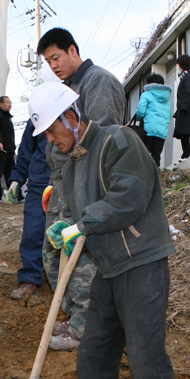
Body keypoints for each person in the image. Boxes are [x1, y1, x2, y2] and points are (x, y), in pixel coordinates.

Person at [27, 81, 190, 379]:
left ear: (72, 118)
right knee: (94, 354)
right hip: (110, 268)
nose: (52, 141)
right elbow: (78, 210)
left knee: (145, 360)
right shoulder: (75, 161)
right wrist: (62, 226)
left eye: (53, 131)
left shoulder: (119, 140)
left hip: (141, 264)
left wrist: (82, 225)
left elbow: (130, 197)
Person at [35, 27, 124, 352]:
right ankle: (73, 313)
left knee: (81, 253)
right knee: (57, 250)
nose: (53, 65)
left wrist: (84, 183)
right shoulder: (67, 88)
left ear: (73, 50)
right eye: (48, 61)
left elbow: (102, 135)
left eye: (56, 57)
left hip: (84, 181)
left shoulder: (96, 81)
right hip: (63, 180)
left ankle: (84, 326)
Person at [5, 118, 50, 300]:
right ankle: (30, 278)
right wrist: (16, 179)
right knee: (33, 232)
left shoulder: (75, 111)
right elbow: (25, 151)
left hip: (69, 184)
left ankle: (69, 284)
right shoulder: (37, 118)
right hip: (39, 185)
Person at [131, 73, 173, 168]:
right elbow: (169, 115)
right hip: (162, 131)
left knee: (144, 153)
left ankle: (144, 175)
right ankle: (156, 175)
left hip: (148, 129)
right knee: (156, 155)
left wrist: (138, 118)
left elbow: (140, 110)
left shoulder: (146, 94)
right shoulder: (167, 99)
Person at [172, 55, 190, 165]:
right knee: (184, 132)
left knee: (187, 132)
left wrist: (183, 108)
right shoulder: (187, 76)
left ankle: (187, 155)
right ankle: (186, 154)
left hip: (188, 110)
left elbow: (189, 93)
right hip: (186, 109)